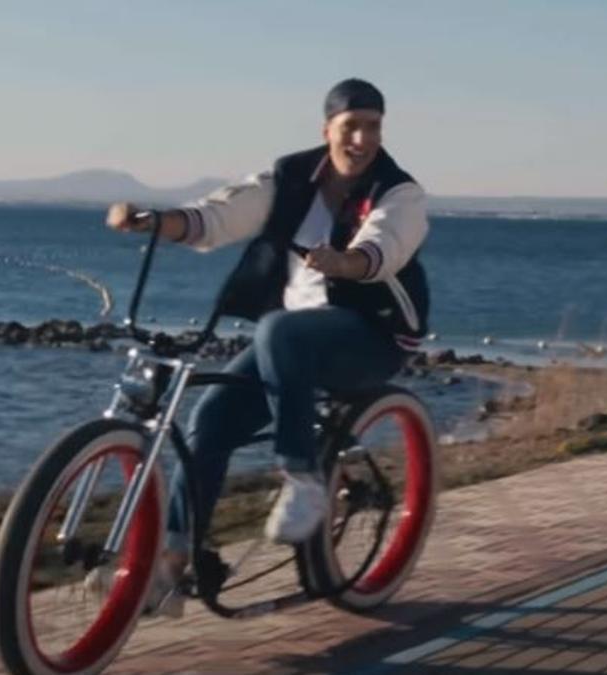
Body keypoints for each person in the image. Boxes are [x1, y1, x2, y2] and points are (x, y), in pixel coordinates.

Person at [103, 78, 431, 615]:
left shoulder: (400, 191)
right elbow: (218, 216)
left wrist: (346, 262)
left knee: (277, 328)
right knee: (209, 420)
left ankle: (302, 477)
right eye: (352, 126)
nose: (363, 139)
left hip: (371, 336)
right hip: (293, 345)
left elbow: (386, 245)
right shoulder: (289, 178)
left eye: (373, 127)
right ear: (327, 129)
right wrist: (153, 221)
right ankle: (172, 564)